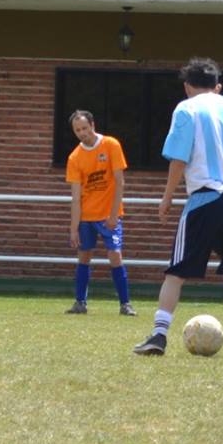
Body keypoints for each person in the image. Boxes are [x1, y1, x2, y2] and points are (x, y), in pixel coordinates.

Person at [132, 57, 223, 358]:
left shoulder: (186, 108)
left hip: (205, 197)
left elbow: (178, 157)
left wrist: (167, 197)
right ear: (216, 85)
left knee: (176, 271)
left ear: (187, 86)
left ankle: (159, 335)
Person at [64, 109, 134, 316]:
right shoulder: (74, 157)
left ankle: (125, 304)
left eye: (84, 128)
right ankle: (80, 303)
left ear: (93, 125)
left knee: (115, 256)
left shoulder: (111, 145)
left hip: (108, 216)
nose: (82, 133)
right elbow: (76, 197)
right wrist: (73, 228)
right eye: (77, 130)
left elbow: (120, 182)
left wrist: (114, 215)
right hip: (86, 217)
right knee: (83, 257)